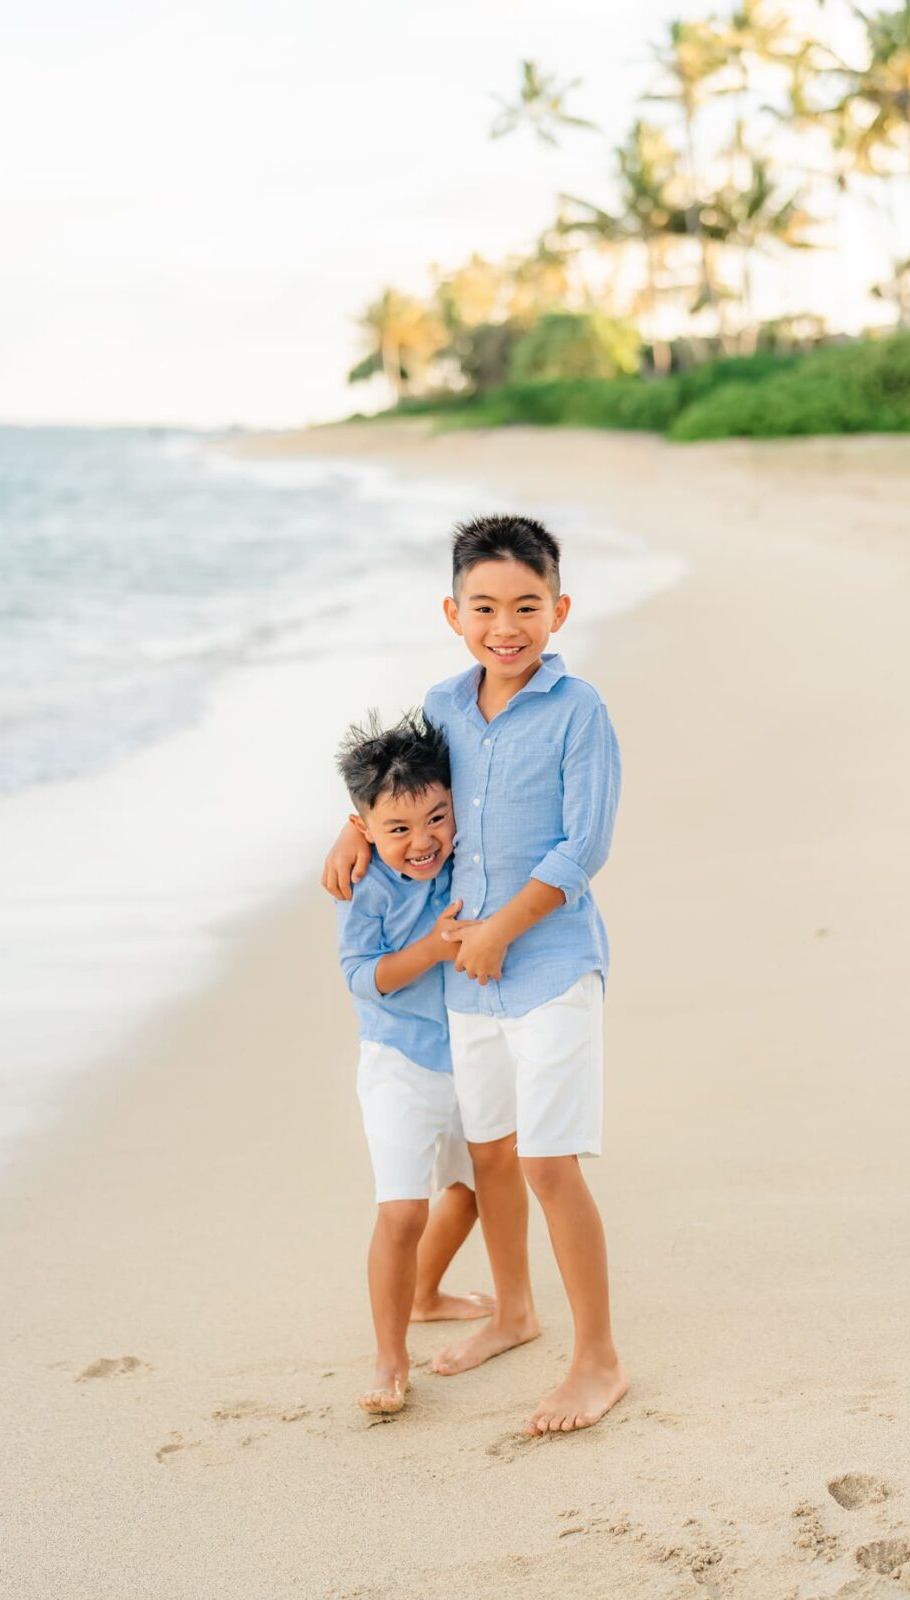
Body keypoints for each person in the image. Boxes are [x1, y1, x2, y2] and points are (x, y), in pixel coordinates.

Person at [326, 515, 627, 1434]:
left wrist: (502, 927)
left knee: (547, 1161)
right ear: (453, 613)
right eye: (486, 607)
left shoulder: (581, 712)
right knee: (491, 1153)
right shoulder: (447, 705)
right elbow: (400, 786)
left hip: (549, 962)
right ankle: (516, 1310)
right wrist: (349, 829)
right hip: (469, 981)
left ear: (559, 609)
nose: (508, 626)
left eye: (527, 606)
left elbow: (586, 847)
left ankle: (598, 1360)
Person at [335, 711, 493, 1416]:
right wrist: (430, 948)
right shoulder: (367, 887)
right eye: (399, 830)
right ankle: (390, 1356)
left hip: (472, 1052)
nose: (423, 841)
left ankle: (427, 1294)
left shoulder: (468, 852)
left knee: (475, 1191)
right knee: (401, 1211)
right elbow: (362, 978)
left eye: (437, 818)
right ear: (365, 830)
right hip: (399, 1062)